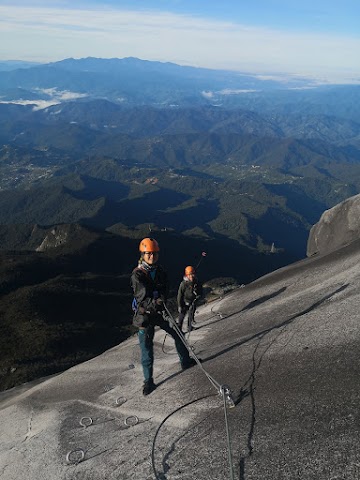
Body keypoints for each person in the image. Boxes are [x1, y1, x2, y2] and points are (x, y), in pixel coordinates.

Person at [131, 237, 196, 396]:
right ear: (143, 254)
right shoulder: (137, 275)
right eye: (148, 254)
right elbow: (142, 299)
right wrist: (157, 302)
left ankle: (185, 361)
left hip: (160, 312)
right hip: (146, 315)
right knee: (146, 349)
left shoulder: (160, 271)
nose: (152, 256)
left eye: (154, 254)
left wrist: (161, 299)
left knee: (178, 333)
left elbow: (165, 289)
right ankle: (148, 381)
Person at [177, 265, 203, 333]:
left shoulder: (196, 282)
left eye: (192, 274)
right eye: (189, 275)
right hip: (184, 302)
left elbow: (200, 291)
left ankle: (189, 327)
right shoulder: (183, 284)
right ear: (187, 275)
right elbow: (180, 295)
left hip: (192, 302)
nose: (191, 276)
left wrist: (198, 297)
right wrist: (179, 305)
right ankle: (179, 329)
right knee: (181, 316)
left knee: (191, 315)